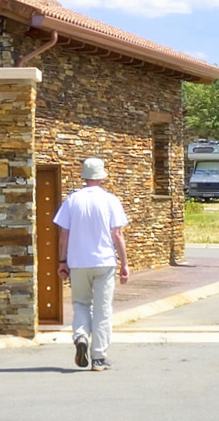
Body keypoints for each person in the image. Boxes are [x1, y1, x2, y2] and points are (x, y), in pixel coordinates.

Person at [53, 157, 130, 371]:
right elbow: (117, 234)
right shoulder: (110, 200)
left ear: (84, 177)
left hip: (78, 262)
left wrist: (62, 261)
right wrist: (124, 263)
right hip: (104, 261)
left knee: (80, 303)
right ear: (102, 177)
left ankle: (80, 337)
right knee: (102, 309)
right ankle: (98, 357)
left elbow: (63, 235)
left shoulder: (72, 200)